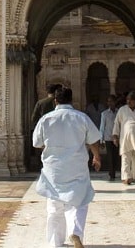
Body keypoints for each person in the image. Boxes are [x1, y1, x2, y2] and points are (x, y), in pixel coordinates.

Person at [33, 87, 101, 248]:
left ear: (55, 101)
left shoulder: (46, 119)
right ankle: (75, 232)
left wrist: (52, 151)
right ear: (71, 100)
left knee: (54, 205)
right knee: (79, 201)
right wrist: (97, 156)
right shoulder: (81, 117)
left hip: (53, 169)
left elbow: (37, 143)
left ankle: (55, 242)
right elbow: (93, 140)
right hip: (76, 166)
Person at [99, 94, 121, 181]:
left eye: (112, 101)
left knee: (115, 156)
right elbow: (102, 127)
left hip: (117, 138)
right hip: (108, 138)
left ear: (115, 102)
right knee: (110, 156)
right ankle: (112, 173)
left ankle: (113, 171)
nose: (110, 103)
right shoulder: (104, 114)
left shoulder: (119, 112)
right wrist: (101, 140)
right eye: (108, 101)